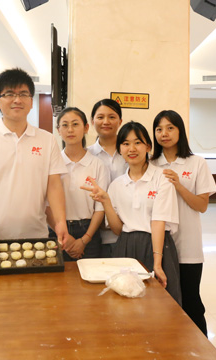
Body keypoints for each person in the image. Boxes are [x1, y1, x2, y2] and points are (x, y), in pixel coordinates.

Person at [0, 68, 68, 266]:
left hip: (36, 242)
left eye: (23, 94)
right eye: (9, 94)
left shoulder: (47, 140)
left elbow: (54, 185)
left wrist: (60, 222)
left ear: (31, 101)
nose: (17, 100)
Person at [82, 121, 181, 304]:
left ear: (148, 147)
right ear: (120, 149)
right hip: (126, 246)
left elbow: (158, 222)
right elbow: (118, 229)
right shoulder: (116, 185)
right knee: (124, 302)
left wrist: (157, 263)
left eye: (137, 142)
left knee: (161, 305)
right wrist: (106, 202)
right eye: (126, 144)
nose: (132, 148)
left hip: (157, 245)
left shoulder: (162, 178)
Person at [150, 110, 216, 335]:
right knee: (159, 303)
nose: (164, 133)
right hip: (159, 245)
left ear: (180, 131)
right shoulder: (150, 163)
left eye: (170, 128)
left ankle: (199, 348)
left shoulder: (196, 163)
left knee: (191, 302)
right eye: (159, 129)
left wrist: (178, 185)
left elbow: (202, 205)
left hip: (188, 245)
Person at [48, 107, 109, 261]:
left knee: (89, 275)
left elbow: (100, 208)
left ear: (86, 128)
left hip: (89, 232)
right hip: (57, 230)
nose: (70, 130)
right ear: (58, 130)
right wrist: (66, 237)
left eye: (75, 124)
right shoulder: (52, 163)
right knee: (58, 276)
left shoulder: (98, 164)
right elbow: (45, 205)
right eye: (65, 125)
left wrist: (84, 240)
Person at [88, 99, 128, 257]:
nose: (106, 122)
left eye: (112, 117)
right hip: (95, 235)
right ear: (92, 121)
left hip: (129, 231)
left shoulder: (131, 153)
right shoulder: (86, 155)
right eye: (100, 117)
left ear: (120, 121)